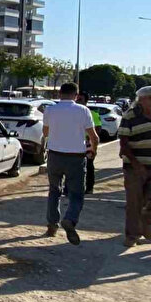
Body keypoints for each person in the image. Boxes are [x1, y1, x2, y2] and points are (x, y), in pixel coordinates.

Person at [41, 82, 99, 245]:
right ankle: (70, 219)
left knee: (54, 191)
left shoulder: (50, 110)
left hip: (54, 156)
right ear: (76, 95)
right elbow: (94, 137)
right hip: (76, 157)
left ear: (59, 93)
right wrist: (93, 151)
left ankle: (52, 225)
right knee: (76, 194)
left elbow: (45, 133)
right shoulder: (83, 111)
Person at [118, 86, 151, 247]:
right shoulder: (129, 117)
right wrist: (136, 164)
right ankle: (132, 236)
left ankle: (146, 221)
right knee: (134, 202)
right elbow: (124, 144)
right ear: (142, 100)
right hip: (135, 167)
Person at [76, 91, 102, 193]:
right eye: (76, 99)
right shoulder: (72, 112)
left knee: (89, 165)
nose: (77, 101)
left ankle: (89, 188)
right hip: (75, 143)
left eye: (80, 99)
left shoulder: (92, 114)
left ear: (86, 101)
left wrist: (91, 142)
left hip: (88, 143)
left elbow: (98, 129)